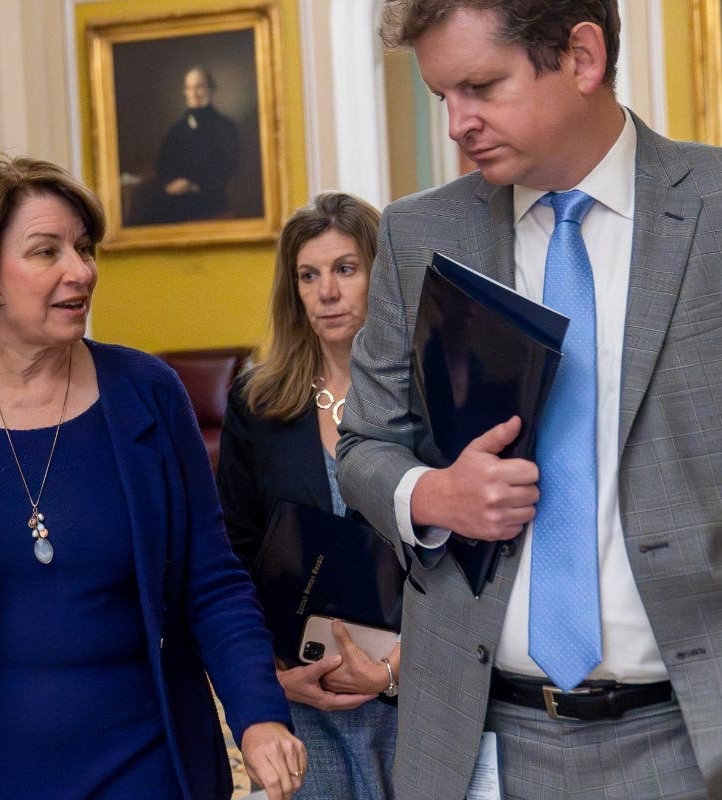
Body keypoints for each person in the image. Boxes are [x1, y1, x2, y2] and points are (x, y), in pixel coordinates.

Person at [337, 2, 722, 799]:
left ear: (581, 56)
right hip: (484, 738)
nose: (456, 124)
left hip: (719, 735)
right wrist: (430, 493)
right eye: (441, 96)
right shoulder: (418, 236)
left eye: (480, 86)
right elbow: (364, 447)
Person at [0, 153, 306, 800]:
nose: (80, 271)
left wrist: (257, 715)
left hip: (143, 758)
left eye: (83, 249)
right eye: (45, 251)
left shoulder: (147, 393)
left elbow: (212, 580)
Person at [217, 192, 398, 800]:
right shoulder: (259, 401)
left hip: (413, 685)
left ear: (380, 272)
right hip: (303, 685)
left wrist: (392, 673)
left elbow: (466, 561)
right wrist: (270, 678)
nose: (326, 292)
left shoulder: (424, 396)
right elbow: (236, 551)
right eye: (308, 275)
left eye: (345, 269)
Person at [131, 65, 238, 225]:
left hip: (208, 195)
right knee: (144, 205)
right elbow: (162, 165)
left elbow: (230, 167)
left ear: (211, 89)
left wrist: (194, 185)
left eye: (199, 87)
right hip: (175, 192)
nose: (194, 93)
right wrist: (169, 184)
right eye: (189, 88)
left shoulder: (226, 127)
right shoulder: (177, 129)